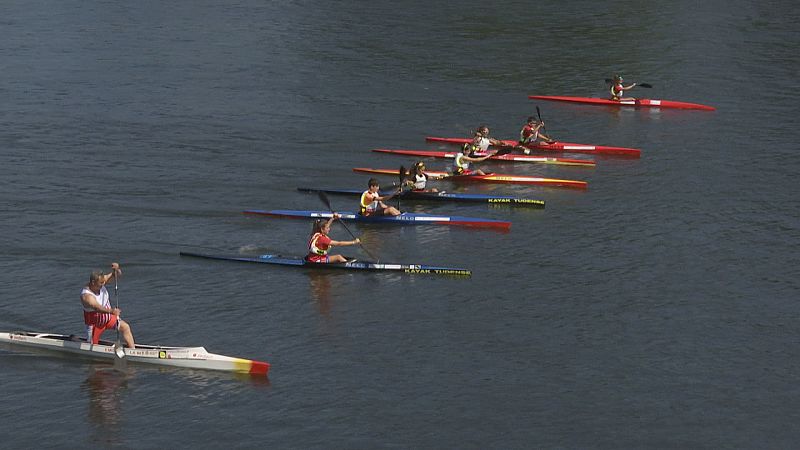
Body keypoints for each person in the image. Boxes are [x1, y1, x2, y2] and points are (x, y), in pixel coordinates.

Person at [81, 262, 135, 348]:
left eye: (103, 282)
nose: (103, 284)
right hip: (95, 325)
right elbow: (97, 307)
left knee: (125, 327)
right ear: (93, 282)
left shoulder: (101, 281)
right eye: (101, 283)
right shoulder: (87, 296)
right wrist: (111, 311)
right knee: (92, 347)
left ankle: (133, 351)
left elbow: (117, 275)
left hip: (108, 319)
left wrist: (116, 269)